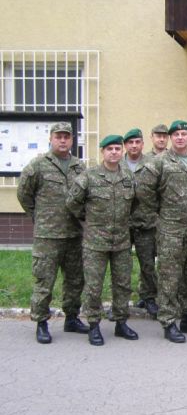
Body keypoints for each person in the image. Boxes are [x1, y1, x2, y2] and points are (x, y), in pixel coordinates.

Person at [136, 120, 187, 343]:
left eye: (183, 134)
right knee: (169, 277)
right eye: (175, 134)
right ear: (170, 138)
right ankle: (168, 321)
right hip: (170, 230)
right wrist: (158, 215)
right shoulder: (159, 162)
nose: (179, 137)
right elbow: (144, 191)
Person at [17, 121, 89, 344]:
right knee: (44, 282)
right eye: (58, 136)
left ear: (72, 140)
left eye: (67, 136)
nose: (63, 140)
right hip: (47, 236)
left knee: (75, 281)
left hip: (73, 233)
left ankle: (72, 318)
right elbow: (23, 194)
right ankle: (41, 323)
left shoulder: (79, 167)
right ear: (51, 139)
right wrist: (37, 216)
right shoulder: (38, 165)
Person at [66, 135, 138, 345]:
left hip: (121, 241)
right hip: (95, 242)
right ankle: (94, 325)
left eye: (117, 148)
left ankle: (121, 322)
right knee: (94, 286)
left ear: (121, 151)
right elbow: (72, 202)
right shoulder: (89, 177)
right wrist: (88, 218)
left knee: (123, 284)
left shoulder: (128, 177)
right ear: (102, 152)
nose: (114, 152)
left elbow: (134, 203)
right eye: (110, 149)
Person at [121, 128, 158, 318]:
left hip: (146, 222)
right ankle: (121, 302)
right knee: (121, 265)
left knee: (147, 264)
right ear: (125, 145)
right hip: (122, 224)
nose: (134, 146)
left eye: (137, 142)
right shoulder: (116, 164)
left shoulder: (153, 163)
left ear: (143, 144)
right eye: (130, 142)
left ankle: (149, 297)